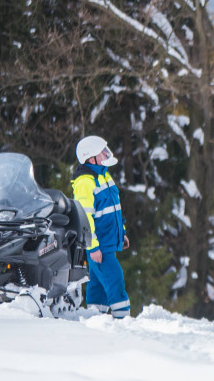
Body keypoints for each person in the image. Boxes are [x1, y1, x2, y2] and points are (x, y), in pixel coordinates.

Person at [72, 135, 131, 319]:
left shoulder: (104, 175)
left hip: (107, 242)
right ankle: (122, 319)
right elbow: (85, 217)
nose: (106, 155)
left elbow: (114, 209)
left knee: (97, 284)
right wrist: (93, 246)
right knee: (115, 279)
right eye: (102, 153)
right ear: (91, 158)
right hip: (98, 245)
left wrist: (122, 233)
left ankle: (95, 317)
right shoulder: (85, 182)